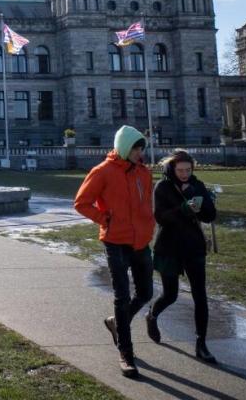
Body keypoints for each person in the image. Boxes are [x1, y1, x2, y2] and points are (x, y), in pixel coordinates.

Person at [74, 125, 155, 378]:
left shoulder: (144, 173)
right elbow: (81, 203)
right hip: (116, 241)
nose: (140, 153)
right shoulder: (103, 171)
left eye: (141, 148)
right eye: (135, 148)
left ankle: (115, 323)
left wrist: (149, 225)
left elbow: (146, 204)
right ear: (123, 147)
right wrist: (104, 219)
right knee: (122, 296)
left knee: (145, 293)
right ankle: (126, 354)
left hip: (141, 241)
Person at [146, 149, 218, 363]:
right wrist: (184, 208)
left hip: (194, 247)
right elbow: (160, 217)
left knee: (200, 296)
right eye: (180, 170)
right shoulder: (163, 187)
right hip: (168, 248)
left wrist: (201, 204)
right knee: (171, 295)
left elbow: (210, 215)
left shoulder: (198, 185)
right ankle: (152, 315)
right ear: (172, 168)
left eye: (188, 169)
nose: (185, 174)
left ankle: (201, 343)